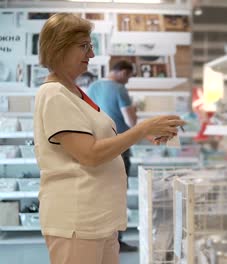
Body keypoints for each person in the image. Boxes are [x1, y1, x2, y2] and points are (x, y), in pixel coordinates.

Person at [34, 13, 185, 264]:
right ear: (57, 47)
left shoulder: (76, 92)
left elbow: (98, 142)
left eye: (90, 46)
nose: (91, 55)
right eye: (84, 46)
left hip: (98, 218)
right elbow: (90, 154)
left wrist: (144, 132)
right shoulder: (54, 94)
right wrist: (142, 127)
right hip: (77, 220)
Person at [87, 60, 138, 252]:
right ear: (122, 72)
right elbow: (131, 122)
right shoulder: (119, 89)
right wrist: (135, 111)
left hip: (97, 146)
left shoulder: (92, 87)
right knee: (117, 195)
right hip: (119, 147)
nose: (127, 81)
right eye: (128, 76)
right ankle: (115, 242)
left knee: (98, 193)